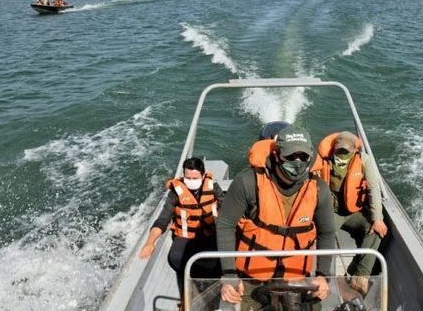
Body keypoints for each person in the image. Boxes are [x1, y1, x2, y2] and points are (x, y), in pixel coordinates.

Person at [216, 126, 336, 310]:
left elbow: (327, 232)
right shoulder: (247, 182)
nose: (297, 162)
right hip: (251, 279)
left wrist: (323, 276)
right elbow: (225, 225)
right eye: (290, 156)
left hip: (297, 278)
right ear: (277, 154)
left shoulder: (319, 189)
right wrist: (229, 275)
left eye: (303, 157)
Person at [311, 131, 388, 296]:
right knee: (325, 235)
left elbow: (374, 189)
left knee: (375, 231)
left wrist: (378, 219)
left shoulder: (364, 161)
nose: (342, 154)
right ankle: (324, 279)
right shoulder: (323, 161)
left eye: (346, 151)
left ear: (354, 150)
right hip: (330, 212)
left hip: (355, 211)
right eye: (339, 150)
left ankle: (359, 276)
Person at [139, 157, 223, 303]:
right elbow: (162, 220)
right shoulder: (175, 193)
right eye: (187, 177)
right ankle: (188, 290)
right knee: (175, 258)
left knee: (222, 260)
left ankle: (213, 287)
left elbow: (227, 207)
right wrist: (150, 243)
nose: (191, 181)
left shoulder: (213, 187)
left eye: (195, 178)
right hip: (185, 236)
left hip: (210, 234)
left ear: (203, 175)